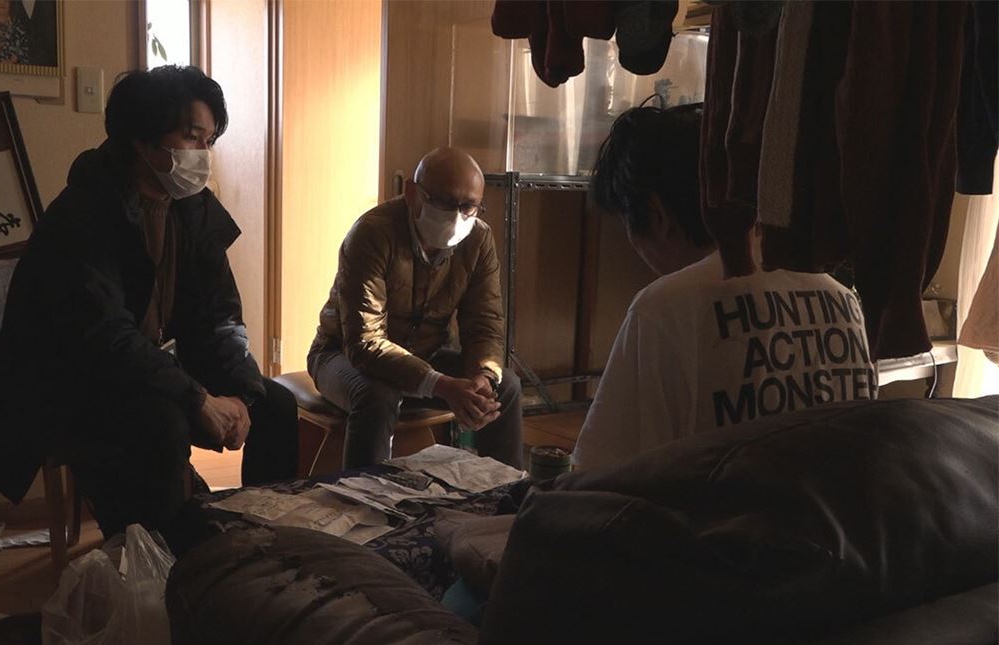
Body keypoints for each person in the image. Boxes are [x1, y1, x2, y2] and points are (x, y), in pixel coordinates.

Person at [0, 66, 298, 548]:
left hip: (141, 369)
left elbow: (220, 315)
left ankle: (268, 543)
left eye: (209, 141)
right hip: (72, 382)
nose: (203, 154)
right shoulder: (83, 214)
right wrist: (197, 398)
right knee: (163, 421)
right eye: (192, 137)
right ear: (141, 138)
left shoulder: (193, 208)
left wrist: (240, 394)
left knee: (274, 404)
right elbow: (105, 338)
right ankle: (159, 558)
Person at [573, 103, 877, 472]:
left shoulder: (664, 307)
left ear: (656, 215)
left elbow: (597, 474)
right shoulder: (842, 299)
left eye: (627, 225)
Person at [308, 148, 523, 470]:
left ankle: (506, 491)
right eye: (445, 202)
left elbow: (485, 322)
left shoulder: (478, 239)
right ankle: (363, 493)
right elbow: (364, 343)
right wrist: (442, 384)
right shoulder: (372, 233)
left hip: (427, 354)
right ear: (412, 193)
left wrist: (483, 377)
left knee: (505, 387)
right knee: (377, 395)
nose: (457, 216)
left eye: (468, 206)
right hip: (340, 355)